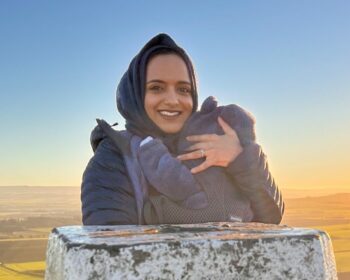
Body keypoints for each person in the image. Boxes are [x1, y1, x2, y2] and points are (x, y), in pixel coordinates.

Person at [81, 33, 284, 225]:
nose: (172, 100)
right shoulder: (114, 158)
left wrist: (240, 158)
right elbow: (110, 252)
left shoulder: (214, 141)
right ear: (134, 94)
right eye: (156, 88)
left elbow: (270, 218)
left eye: (183, 89)